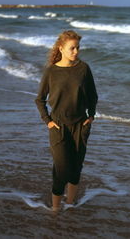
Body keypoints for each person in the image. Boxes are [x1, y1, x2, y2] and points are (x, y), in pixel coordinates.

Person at [35, 30, 98, 211]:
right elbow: (39, 99)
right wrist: (47, 121)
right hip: (58, 126)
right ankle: (55, 210)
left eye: (78, 48)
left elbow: (93, 96)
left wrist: (91, 116)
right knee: (61, 169)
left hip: (80, 125)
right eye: (72, 48)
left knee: (76, 167)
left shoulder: (83, 69)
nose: (76, 52)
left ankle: (70, 205)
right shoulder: (51, 71)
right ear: (61, 48)